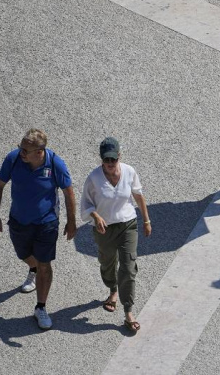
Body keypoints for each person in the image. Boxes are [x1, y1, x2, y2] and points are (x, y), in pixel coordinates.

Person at [0, 128, 77, 330]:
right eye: (21, 148)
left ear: (39, 152)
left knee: (45, 263)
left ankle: (41, 307)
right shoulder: (13, 159)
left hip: (47, 223)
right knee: (24, 255)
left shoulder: (55, 163)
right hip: (19, 221)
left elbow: (68, 192)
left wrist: (71, 221)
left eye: (25, 150)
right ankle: (33, 268)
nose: (21, 152)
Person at [81, 137, 151, 334]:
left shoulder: (129, 172)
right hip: (104, 229)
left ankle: (128, 311)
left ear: (119, 156)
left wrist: (146, 220)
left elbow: (138, 195)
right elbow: (85, 205)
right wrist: (95, 216)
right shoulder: (93, 178)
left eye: (113, 159)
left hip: (128, 225)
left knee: (128, 267)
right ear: (101, 159)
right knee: (107, 262)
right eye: (106, 160)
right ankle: (112, 290)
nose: (110, 164)